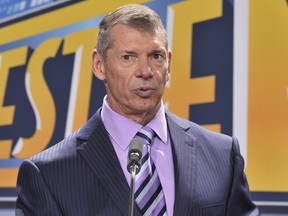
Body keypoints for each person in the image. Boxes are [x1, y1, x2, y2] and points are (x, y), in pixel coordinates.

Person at [15, 4, 259, 216]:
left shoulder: (222, 156)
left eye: (155, 56)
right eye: (128, 57)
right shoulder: (47, 175)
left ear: (169, 64)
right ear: (99, 65)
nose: (145, 71)